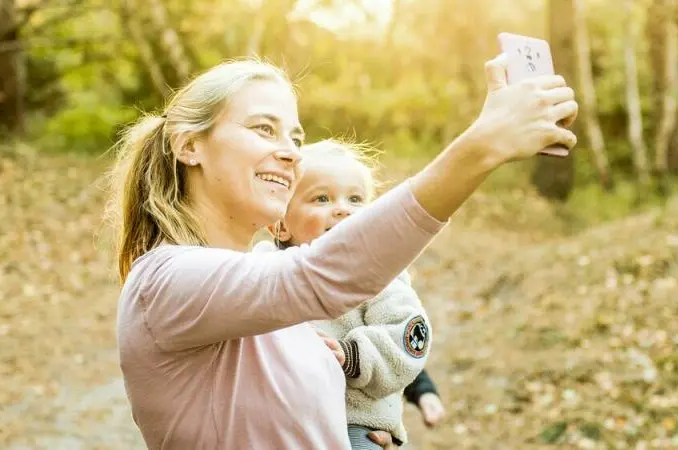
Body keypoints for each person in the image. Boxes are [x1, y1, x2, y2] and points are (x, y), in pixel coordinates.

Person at [107, 55, 578, 449]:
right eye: (263, 129)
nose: (292, 153)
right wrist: (482, 147)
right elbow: (321, 276)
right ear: (190, 146)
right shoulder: (165, 280)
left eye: (295, 137)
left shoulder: (261, 290)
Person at [255, 139, 432, 449]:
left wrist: (351, 356)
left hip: (354, 421)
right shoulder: (263, 269)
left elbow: (408, 336)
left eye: (355, 199)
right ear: (281, 226)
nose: (342, 209)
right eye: (321, 198)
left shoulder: (379, 274)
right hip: (280, 423)